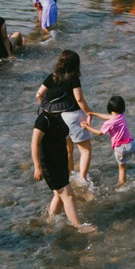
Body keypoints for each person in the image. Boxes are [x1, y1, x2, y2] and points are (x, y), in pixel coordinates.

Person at [31, 111, 96, 232]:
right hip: (50, 165)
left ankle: (50, 221)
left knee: (59, 195)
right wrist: (37, 167)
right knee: (68, 195)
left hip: (60, 162)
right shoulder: (43, 120)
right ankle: (79, 226)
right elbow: (35, 144)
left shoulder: (57, 116)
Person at [37, 51, 93, 187]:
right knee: (85, 150)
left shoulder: (52, 77)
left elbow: (38, 94)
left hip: (58, 117)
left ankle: (69, 176)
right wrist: (88, 113)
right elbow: (79, 99)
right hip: (73, 116)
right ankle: (82, 180)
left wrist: (47, 109)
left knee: (68, 149)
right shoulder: (73, 78)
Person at [79, 96, 135, 189]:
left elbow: (100, 132)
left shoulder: (109, 123)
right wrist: (94, 114)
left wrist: (87, 127)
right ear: (123, 108)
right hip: (130, 145)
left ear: (109, 108)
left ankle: (121, 187)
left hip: (119, 150)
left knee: (122, 169)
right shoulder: (122, 116)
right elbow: (110, 117)